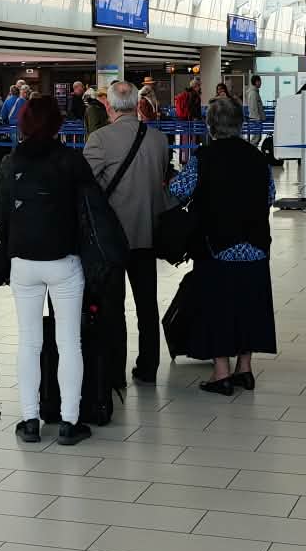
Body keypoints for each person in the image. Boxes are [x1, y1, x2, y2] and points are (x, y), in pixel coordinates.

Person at [0, 95, 96, 447]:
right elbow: (89, 209)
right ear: (57, 125)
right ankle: (69, 421)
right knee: (69, 341)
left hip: (22, 261)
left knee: (29, 341)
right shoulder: (72, 161)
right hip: (64, 260)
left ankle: (29, 420)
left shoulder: (10, 162)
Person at [168, 97, 277, 396]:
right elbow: (270, 196)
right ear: (240, 124)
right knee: (250, 305)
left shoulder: (204, 157)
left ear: (210, 125)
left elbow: (179, 190)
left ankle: (221, 373)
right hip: (255, 244)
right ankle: (245, 369)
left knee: (218, 306)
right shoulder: (257, 157)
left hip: (216, 245)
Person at [84, 80, 171, 385]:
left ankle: (113, 372)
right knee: (147, 304)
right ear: (137, 104)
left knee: (112, 306)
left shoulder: (99, 140)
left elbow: (86, 185)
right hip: (148, 233)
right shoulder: (159, 139)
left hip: (111, 238)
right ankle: (148, 366)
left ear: (109, 105)